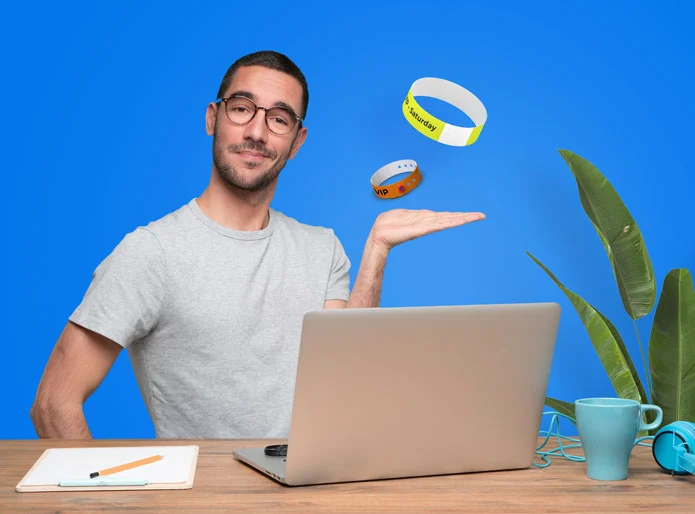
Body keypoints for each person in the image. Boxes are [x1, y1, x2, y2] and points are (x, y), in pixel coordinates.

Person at [30, 50, 485, 439]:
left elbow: (350, 377)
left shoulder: (322, 248)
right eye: (242, 108)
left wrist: (377, 249)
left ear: (297, 142)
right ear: (213, 118)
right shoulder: (151, 252)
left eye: (279, 118)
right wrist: (90, 497)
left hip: (319, 491)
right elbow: (54, 404)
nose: (257, 132)